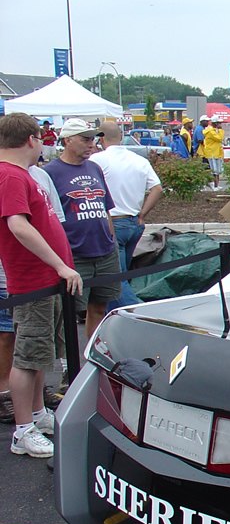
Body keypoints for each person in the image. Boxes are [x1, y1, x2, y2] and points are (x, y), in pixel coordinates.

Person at [0, 113, 82, 457]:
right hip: (33, 280)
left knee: (40, 354)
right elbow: (18, 226)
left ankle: (36, 414)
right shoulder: (9, 176)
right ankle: (23, 430)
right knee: (28, 356)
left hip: (45, 281)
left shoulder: (22, 175)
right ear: (31, 139)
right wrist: (59, 264)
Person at [44, 118, 120, 341]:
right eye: (85, 139)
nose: (91, 144)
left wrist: (111, 239)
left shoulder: (95, 167)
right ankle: (69, 363)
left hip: (105, 251)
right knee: (67, 313)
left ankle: (92, 356)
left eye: (94, 139)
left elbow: (106, 208)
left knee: (99, 307)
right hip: (74, 255)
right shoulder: (50, 172)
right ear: (67, 140)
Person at [92, 120, 164, 310]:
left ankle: (140, 313)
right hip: (134, 222)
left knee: (116, 278)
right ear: (121, 137)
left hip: (113, 222)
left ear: (101, 139)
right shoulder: (140, 160)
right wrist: (143, 213)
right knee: (122, 275)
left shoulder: (98, 160)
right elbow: (157, 188)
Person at [202, 118, 226, 188]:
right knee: (214, 171)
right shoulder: (210, 132)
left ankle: (217, 185)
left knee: (217, 171)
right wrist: (221, 130)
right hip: (212, 153)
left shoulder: (214, 131)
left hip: (217, 153)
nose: (220, 125)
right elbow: (220, 138)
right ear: (215, 123)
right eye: (219, 123)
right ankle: (215, 186)